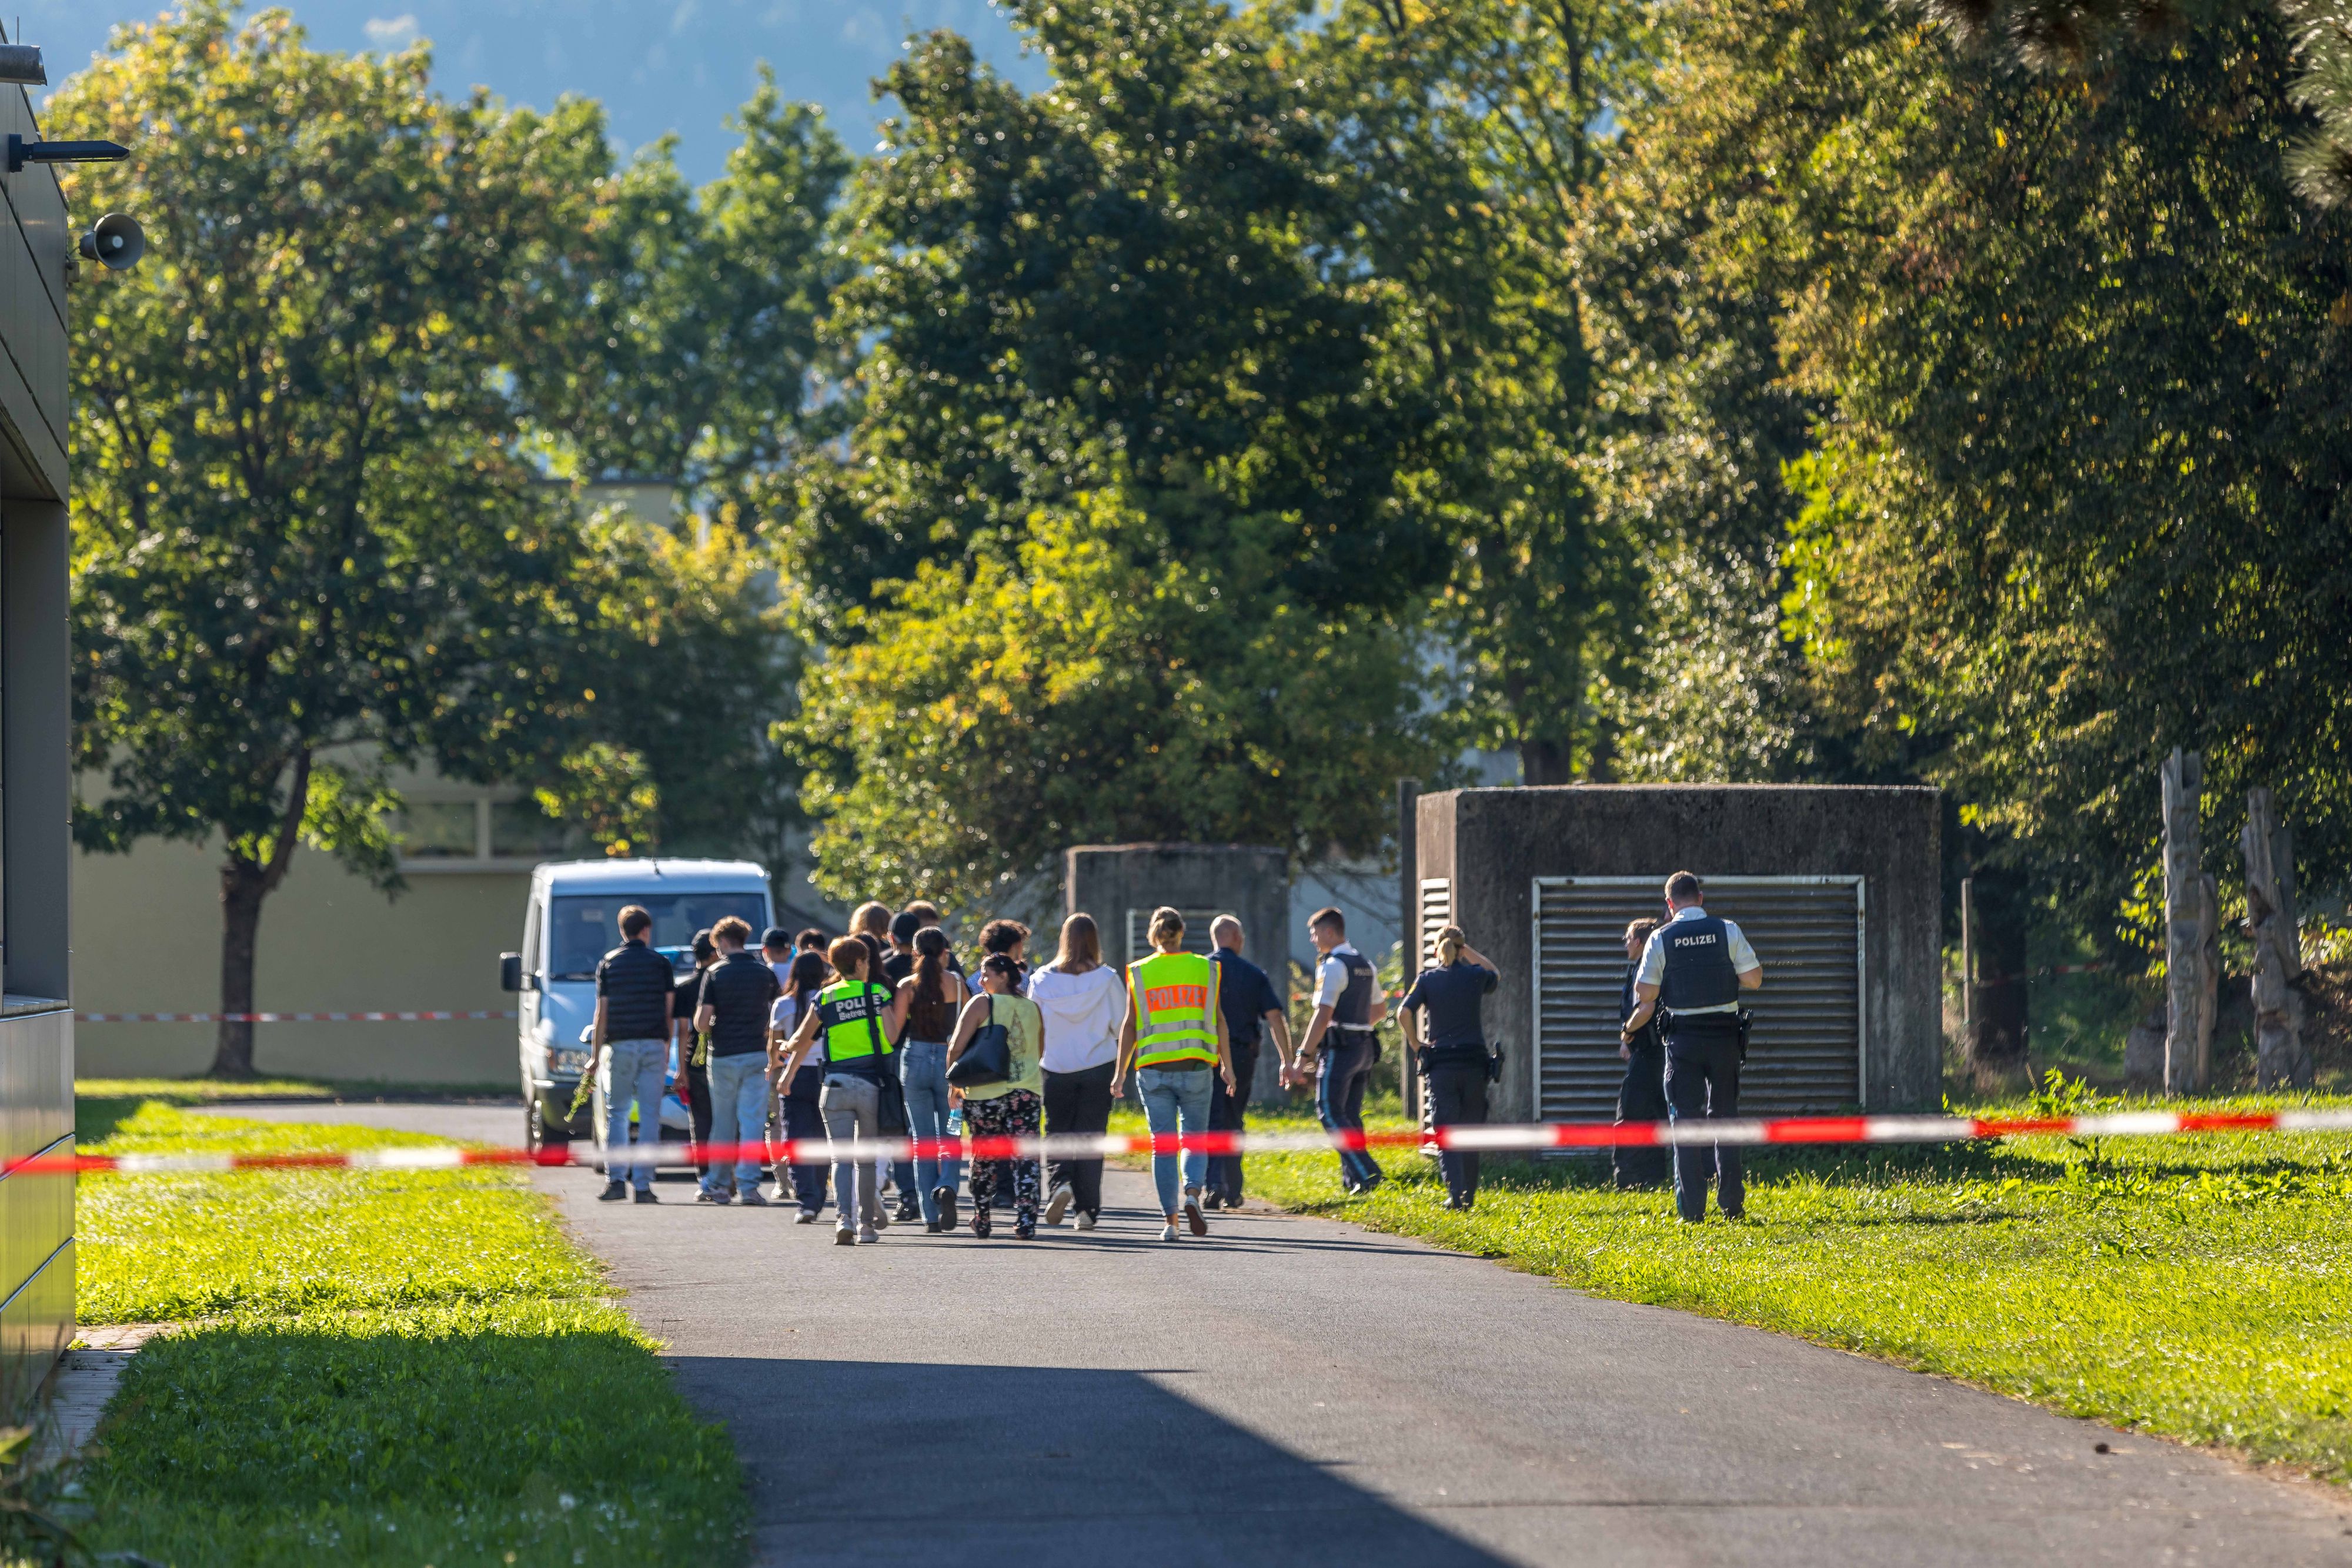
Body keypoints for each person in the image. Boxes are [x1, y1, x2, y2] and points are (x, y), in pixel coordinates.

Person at [1620, 871, 1765, 1223]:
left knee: (1685, 1121)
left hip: (1683, 1041)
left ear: (1670, 904)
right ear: (1700, 898)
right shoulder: (1727, 929)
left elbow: (1646, 993)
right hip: (1725, 1039)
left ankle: (1693, 1210)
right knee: (1726, 1117)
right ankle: (1732, 1204)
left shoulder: (1661, 937)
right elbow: (1754, 980)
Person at [1114, 907, 1237, 1241]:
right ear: (1182, 932)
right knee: (1195, 1138)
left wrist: (1119, 1073)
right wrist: (1227, 1066)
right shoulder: (1206, 969)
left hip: (1154, 1069)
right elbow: (1220, 1020)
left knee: (1163, 1146)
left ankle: (1171, 1222)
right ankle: (1193, 1194)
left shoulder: (1139, 972)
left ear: (1153, 935)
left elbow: (1129, 1025)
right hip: (1196, 1067)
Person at [780, 937, 909, 1243]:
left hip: (834, 1084)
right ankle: (866, 1227)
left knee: (840, 1159)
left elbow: (800, 1040)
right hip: (870, 1084)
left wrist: (785, 1047)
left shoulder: (825, 997)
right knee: (865, 1160)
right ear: (861, 963)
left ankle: (843, 1220)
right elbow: (892, 1038)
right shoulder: (876, 993)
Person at [1028, 914, 1127, 1229]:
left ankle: (1061, 1184)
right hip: (1098, 1067)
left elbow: (1033, 1025)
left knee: (1057, 1132)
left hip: (1055, 1066)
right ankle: (1086, 1211)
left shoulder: (1041, 980)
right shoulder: (1108, 979)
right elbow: (1121, 1026)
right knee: (1091, 1137)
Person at [1285, 906, 1387, 1196]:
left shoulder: (1332, 965)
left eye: (1315, 934)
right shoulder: (1365, 963)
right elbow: (1380, 1010)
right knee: (1350, 1115)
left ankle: (1368, 1173)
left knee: (1329, 1111)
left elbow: (1323, 1014)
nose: (1312, 940)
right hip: (1364, 1048)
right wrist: (1357, 1026)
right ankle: (1354, 1182)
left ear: (1329, 932)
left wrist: (1302, 1057)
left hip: (1341, 1050)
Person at [1396, 926, 1499, 1211]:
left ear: (1435, 950)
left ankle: (1456, 1197)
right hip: (1475, 1065)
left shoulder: (1427, 979)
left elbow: (1404, 1012)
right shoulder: (1476, 975)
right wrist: (1467, 951)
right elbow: (1496, 973)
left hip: (1442, 1066)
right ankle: (1469, 1197)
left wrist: (1416, 1044)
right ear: (1462, 948)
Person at [946, 953, 1047, 1239]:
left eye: (985, 974)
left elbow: (956, 1047)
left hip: (985, 1093)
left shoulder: (981, 1003)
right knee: (1026, 1159)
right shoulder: (1032, 1007)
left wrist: (954, 1084)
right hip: (1026, 1092)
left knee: (984, 1157)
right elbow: (1040, 1049)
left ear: (1003, 977)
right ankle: (1026, 1222)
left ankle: (982, 1217)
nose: (980, 981)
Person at [691, 915, 783, 1205]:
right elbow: (776, 1014)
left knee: (723, 1122)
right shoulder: (764, 973)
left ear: (721, 941)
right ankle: (749, 1186)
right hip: (757, 1053)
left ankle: (719, 1184)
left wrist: (712, 1023)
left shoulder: (715, 973)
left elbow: (702, 1023)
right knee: (753, 1121)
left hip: (723, 1055)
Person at [590, 904, 673, 1203]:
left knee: (618, 1113)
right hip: (653, 1043)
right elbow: (668, 1011)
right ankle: (643, 1186)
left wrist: (595, 1055)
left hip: (621, 1045)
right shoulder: (661, 964)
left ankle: (615, 1181)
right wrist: (666, 1047)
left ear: (622, 931)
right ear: (646, 930)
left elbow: (602, 1013)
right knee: (650, 1115)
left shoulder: (609, 963)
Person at [1205, 915, 1289, 1211]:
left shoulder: (1201, 971)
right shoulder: (1253, 974)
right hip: (1241, 1056)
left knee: (1210, 1118)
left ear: (1215, 938)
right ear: (1237, 938)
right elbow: (1275, 1018)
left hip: (1206, 1055)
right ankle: (1233, 1189)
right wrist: (1287, 1059)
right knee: (1233, 1118)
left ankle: (1214, 1184)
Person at [895, 926, 969, 1232]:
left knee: (922, 1140)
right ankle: (947, 1185)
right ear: (945, 953)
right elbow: (968, 1026)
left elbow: (893, 1033)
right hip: (950, 1063)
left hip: (914, 1059)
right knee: (951, 1132)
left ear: (914, 953)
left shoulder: (906, 986)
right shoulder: (958, 984)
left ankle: (929, 1215)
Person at [767, 949, 833, 1222]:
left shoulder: (783, 1004)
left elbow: (774, 1047)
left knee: (795, 1138)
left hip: (794, 1076)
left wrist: (774, 1066)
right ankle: (819, 1195)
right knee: (823, 1137)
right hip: (826, 1074)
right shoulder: (828, 1000)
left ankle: (806, 1200)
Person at [1613, 917, 1672, 1190]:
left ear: (1638, 942)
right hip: (1658, 1052)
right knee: (1653, 1116)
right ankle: (1652, 1178)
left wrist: (1626, 1033)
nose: (1625, 944)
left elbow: (1644, 1010)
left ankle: (1629, 1179)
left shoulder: (1645, 970)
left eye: (1627, 939)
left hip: (1650, 1053)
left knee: (1631, 1114)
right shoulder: (1652, 967)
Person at [676, 928, 718, 1198]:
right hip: (721, 1057)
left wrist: (681, 1069)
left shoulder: (684, 988)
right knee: (725, 1120)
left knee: (700, 1121)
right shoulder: (721, 981)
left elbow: (683, 1032)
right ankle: (726, 1175)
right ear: (714, 953)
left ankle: (705, 1178)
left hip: (694, 1062)